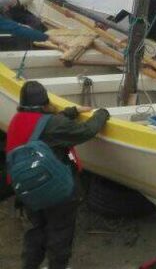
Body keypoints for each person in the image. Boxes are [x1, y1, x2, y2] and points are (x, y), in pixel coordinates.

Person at [5, 81, 110, 269]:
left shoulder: (17, 120)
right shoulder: (55, 125)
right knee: (60, 233)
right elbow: (87, 131)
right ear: (46, 102)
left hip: (28, 189)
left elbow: (45, 123)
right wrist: (103, 113)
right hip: (56, 191)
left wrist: (71, 112)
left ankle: (30, 265)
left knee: (37, 230)